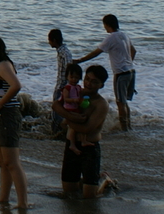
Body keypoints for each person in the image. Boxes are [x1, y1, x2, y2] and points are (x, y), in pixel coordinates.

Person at [0, 35, 31, 208]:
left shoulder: (3, 65)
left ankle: (23, 202)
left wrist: (0, 103)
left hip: (7, 113)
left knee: (12, 162)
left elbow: (16, 85)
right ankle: (4, 198)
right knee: (2, 162)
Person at [58, 65, 118, 198]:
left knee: (89, 197)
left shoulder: (101, 104)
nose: (89, 84)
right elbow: (56, 105)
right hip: (71, 145)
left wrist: (67, 120)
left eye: (94, 82)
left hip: (89, 148)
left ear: (101, 85)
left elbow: (87, 128)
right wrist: (67, 115)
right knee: (69, 192)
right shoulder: (77, 93)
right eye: (87, 79)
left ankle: (105, 181)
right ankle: (90, 180)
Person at [75, 13, 137, 131]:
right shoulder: (124, 35)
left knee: (120, 102)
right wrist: (128, 63)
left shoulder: (111, 37)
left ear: (107, 25)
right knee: (125, 102)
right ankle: (128, 126)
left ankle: (125, 129)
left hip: (121, 74)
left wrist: (80, 60)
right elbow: (133, 51)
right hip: (131, 72)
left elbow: (96, 52)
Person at [47, 28, 74, 131]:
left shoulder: (63, 52)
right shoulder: (63, 51)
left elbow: (68, 69)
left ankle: (57, 131)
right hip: (62, 85)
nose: (48, 42)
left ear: (54, 40)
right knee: (61, 109)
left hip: (62, 86)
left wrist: (66, 87)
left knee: (57, 109)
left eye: (49, 40)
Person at [57, 63, 86, 154]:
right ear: (67, 77)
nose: (74, 80)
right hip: (69, 108)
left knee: (82, 121)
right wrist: (74, 100)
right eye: (72, 77)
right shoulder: (67, 88)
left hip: (75, 108)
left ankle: (83, 140)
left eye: (77, 78)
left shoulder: (78, 87)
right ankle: (72, 144)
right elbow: (66, 99)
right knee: (74, 126)